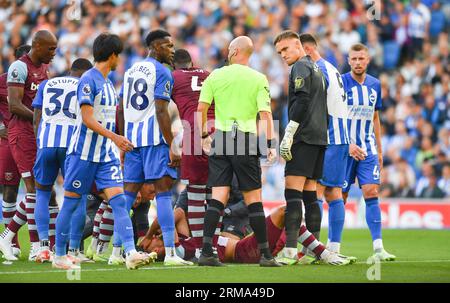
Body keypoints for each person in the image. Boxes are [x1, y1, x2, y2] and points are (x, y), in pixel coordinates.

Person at [54, 33, 154, 270]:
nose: (120, 59)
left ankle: (130, 252)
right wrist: (116, 138)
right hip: (82, 154)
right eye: (118, 55)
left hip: (104, 156)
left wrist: (116, 141)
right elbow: (88, 119)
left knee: (120, 203)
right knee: (69, 204)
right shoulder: (88, 80)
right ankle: (59, 255)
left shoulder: (109, 84)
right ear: (112, 56)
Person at [197, 36, 280, 267]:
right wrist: (270, 144)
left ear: (234, 51)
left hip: (222, 139)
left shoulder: (216, 75)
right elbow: (265, 115)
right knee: (254, 199)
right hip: (245, 140)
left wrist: (203, 135)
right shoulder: (258, 78)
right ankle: (265, 255)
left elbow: (201, 108)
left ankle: (206, 252)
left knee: (217, 198)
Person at [117, 29, 190, 266]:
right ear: (155, 46)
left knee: (126, 197)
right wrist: (172, 146)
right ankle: (170, 253)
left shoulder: (130, 71)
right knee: (163, 194)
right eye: (168, 46)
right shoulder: (163, 72)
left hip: (132, 142)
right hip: (153, 142)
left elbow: (121, 109)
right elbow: (161, 111)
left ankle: (117, 252)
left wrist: (122, 140)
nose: (172, 50)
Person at [299, 33, 365, 260]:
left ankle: (311, 249)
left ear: (306, 50)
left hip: (327, 137)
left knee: (315, 189)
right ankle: (333, 246)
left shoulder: (317, 70)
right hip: (340, 137)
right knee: (333, 192)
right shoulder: (331, 68)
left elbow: (316, 106)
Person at [0, 31, 57, 262]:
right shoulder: (18, 68)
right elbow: (14, 105)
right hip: (21, 135)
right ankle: (34, 245)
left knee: (47, 191)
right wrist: (41, 118)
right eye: (50, 49)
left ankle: (47, 245)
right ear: (37, 45)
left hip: (38, 135)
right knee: (33, 190)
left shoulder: (44, 69)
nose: (54, 53)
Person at [139, 205, 351, 266]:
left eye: (152, 243)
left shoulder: (185, 239)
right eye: (152, 249)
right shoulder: (175, 250)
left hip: (244, 245)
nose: (154, 247)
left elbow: (177, 214)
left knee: (291, 222)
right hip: (244, 251)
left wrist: (150, 234)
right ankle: (324, 254)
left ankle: (313, 254)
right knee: (286, 212)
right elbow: (170, 215)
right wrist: (150, 236)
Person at [273, 30, 327, 265]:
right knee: (310, 195)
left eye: (285, 49)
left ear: (298, 45)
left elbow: (302, 100)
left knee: (292, 193)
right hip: (319, 138)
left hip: (303, 137)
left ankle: (290, 250)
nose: (283, 55)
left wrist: (290, 132)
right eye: (279, 52)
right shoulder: (317, 68)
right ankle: (314, 250)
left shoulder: (300, 68)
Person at [32, 58, 93, 263]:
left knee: (41, 193)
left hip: (46, 143)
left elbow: (37, 116)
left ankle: (42, 248)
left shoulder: (47, 84)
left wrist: (40, 142)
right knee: (78, 196)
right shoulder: (85, 85)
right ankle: (74, 251)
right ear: (85, 73)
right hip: (72, 146)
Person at [342, 43, 396, 261]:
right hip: (345, 149)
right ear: (348, 60)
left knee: (371, 192)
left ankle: (378, 248)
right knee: (340, 197)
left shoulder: (375, 84)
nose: (357, 62)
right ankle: (332, 247)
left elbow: (375, 118)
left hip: (368, 148)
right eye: (354, 59)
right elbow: (333, 117)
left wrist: (380, 150)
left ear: (368, 60)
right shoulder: (341, 82)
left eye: (361, 58)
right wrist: (346, 144)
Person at [171, 48, 214, 254]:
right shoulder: (208, 74)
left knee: (196, 194)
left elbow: (163, 110)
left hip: (194, 132)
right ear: (191, 62)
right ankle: (213, 245)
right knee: (216, 193)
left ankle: (199, 249)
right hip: (217, 134)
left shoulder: (173, 77)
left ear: (174, 65)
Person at [0, 44, 31, 258]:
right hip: (9, 140)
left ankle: (40, 244)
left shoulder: (41, 78)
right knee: (10, 190)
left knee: (38, 191)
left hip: (33, 140)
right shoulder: (3, 81)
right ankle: (12, 242)